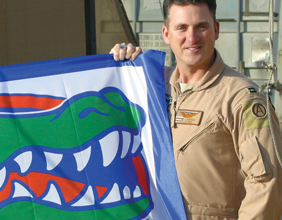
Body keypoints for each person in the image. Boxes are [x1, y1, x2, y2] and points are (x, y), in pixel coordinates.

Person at [111, 0, 282, 219]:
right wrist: (118, 66)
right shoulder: (150, 85)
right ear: (166, 34)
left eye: (201, 26)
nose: (192, 38)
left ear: (216, 30)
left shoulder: (243, 99)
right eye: (181, 28)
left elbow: (266, 183)